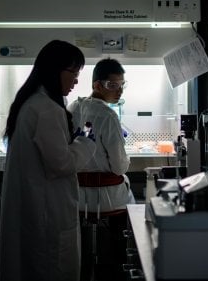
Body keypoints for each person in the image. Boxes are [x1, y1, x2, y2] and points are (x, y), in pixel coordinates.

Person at [0, 40, 96, 281]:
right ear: (55, 70)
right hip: (47, 214)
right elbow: (61, 163)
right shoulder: (46, 109)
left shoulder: (34, 102)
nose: (76, 81)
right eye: (74, 73)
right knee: (52, 267)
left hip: (37, 209)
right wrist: (86, 142)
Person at [67, 58, 134, 281]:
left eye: (122, 85)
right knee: (119, 247)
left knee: (78, 256)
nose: (119, 91)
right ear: (97, 85)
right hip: (108, 202)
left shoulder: (73, 107)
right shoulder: (108, 115)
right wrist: (127, 158)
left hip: (77, 200)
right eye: (112, 85)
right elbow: (118, 166)